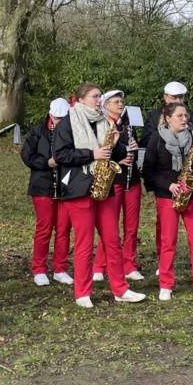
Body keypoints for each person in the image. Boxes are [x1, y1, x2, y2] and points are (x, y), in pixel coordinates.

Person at [52, 83, 146, 308]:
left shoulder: (106, 122)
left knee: (112, 240)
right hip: (79, 188)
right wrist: (91, 154)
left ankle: (120, 289)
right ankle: (82, 292)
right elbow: (61, 154)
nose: (98, 100)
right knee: (84, 243)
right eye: (95, 97)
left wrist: (123, 146)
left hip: (104, 187)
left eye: (99, 97)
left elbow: (115, 152)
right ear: (82, 99)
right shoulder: (67, 122)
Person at [140, 81, 193, 276]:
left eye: (181, 97)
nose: (178, 101)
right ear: (165, 98)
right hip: (166, 184)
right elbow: (147, 151)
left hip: (188, 184)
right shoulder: (154, 118)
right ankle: (163, 262)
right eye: (174, 98)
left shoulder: (192, 119)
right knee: (166, 231)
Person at [21, 98, 73, 286]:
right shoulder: (38, 131)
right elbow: (27, 156)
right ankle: (39, 268)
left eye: (63, 118)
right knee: (44, 228)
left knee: (63, 228)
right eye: (56, 118)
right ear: (50, 115)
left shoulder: (72, 130)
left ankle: (60, 268)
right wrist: (46, 163)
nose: (59, 122)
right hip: (42, 185)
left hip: (65, 185)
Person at [93, 89, 143, 283]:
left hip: (132, 180)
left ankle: (129, 264)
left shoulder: (129, 125)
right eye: (115, 102)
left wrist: (134, 152)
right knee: (109, 226)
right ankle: (100, 265)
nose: (120, 105)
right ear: (106, 105)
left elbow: (137, 149)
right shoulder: (101, 124)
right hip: (114, 179)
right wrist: (119, 159)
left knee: (131, 226)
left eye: (121, 102)